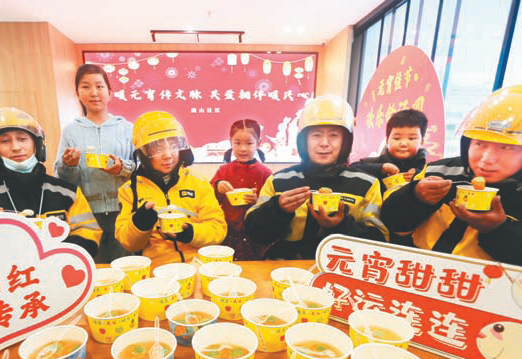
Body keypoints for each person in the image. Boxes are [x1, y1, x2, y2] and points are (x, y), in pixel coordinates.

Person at [381, 84, 522, 267]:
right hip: (417, 273)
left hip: (489, 283)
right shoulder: (440, 170)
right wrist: (414, 197)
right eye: (479, 144)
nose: (486, 160)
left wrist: (498, 229)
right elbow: (393, 223)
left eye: (507, 148)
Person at [0, 108, 101, 257]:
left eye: (22, 139)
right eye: (5, 141)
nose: (16, 147)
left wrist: (48, 253)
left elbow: (89, 234)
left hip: (57, 270)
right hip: (2, 275)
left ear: (37, 144)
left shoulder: (68, 192)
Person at [245, 94, 388, 259]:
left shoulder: (366, 184)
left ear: (346, 141)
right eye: (316, 135)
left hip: (341, 268)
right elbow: (256, 236)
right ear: (303, 141)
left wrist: (341, 225)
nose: (324, 143)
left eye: (333, 135)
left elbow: (379, 244)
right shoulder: (279, 181)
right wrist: (277, 209)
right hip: (285, 269)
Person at [115, 111, 227, 264]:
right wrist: (140, 223)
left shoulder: (199, 183)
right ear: (143, 153)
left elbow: (218, 229)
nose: (168, 155)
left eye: (174, 146)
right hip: (157, 269)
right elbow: (128, 243)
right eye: (158, 149)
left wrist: (190, 233)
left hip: (198, 265)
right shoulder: (129, 191)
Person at [55, 64, 134, 264]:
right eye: (86, 86)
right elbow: (62, 179)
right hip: (87, 214)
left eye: (99, 86)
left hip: (123, 210)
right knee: (94, 268)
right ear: (77, 93)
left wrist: (122, 168)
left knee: (126, 266)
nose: (94, 93)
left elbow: (141, 170)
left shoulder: (127, 128)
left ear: (110, 92)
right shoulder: (71, 131)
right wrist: (69, 165)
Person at [211, 119, 272, 260]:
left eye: (249, 143)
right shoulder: (223, 171)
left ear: (258, 143)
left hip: (255, 233)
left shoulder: (265, 173)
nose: (243, 149)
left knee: (254, 268)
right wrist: (217, 186)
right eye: (237, 143)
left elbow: (271, 206)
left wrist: (257, 202)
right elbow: (210, 201)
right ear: (230, 143)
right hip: (228, 231)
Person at [352, 109, 428, 186]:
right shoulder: (374, 162)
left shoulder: (427, 170)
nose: (403, 144)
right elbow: (351, 169)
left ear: (421, 142)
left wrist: (419, 176)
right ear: (387, 140)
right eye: (397, 138)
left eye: (411, 138)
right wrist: (381, 168)